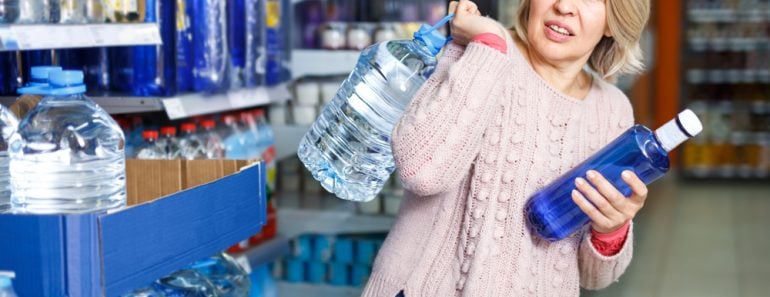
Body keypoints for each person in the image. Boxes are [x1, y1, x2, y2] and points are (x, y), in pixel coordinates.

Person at [362, 0, 651, 296]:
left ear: (613, 22)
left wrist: (611, 230)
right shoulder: (483, 51)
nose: (564, 6)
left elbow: (595, 276)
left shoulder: (613, 110)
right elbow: (420, 170)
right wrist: (488, 44)